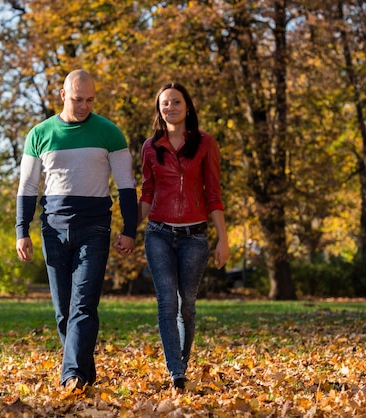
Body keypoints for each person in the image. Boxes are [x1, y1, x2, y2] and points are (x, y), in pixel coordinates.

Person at [15, 69, 138, 392]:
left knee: (83, 306)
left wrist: (129, 228)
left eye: (90, 100)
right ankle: (84, 371)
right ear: (63, 95)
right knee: (63, 311)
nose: (83, 106)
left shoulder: (109, 133)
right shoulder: (40, 134)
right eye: (77, 99)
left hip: (94, 228)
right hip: (53, 231)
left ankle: (72, 376)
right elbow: (27, 186)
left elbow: (126, 185)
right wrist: (21, 229)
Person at [135, 82, 229, 390]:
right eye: (165, 103)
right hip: (159, 233)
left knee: (187, 303)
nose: (170, 107)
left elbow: (213, 193)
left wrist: (222, 239)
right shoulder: (151, 146)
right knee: (167, 303)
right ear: (159, 110)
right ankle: (176, 373)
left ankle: (181, 365)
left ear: (187, 106)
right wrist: (129, 230)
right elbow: (147, 191)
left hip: (194, 237)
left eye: (176, 102)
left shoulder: (205, 144)